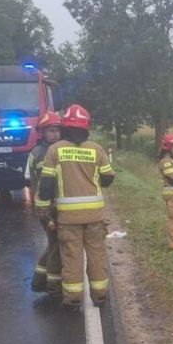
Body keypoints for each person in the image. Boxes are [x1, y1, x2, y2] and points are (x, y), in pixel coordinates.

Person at [35, 104, 115, 308]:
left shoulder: (54, 150)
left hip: (68, 219)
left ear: (65, 127)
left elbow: (46, 185)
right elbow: (107, 178)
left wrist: (44, 210)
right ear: (86, 127)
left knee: (72, 257)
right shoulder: (96, 149)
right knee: (97, 254)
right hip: (95, 217)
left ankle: (73, 299)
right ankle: (100, 295)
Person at [28, 111, 62, 294]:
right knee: (57, 244)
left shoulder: (45, 151)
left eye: (57, 130)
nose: (55, 134)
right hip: (48, 208)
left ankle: (38, 279)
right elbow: (47, 185)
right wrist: (49, 214)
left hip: (48, 206)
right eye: (50, 131)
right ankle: (54, 284)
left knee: (53, 243)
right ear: (42, 133)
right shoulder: (43, 154)